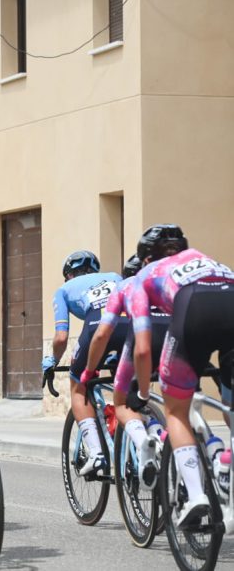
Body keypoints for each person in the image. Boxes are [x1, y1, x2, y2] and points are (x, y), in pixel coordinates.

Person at [96, 225, 234, 528]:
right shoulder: (206, 259)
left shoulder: (144, 276)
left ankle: (196, 495)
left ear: (144, 259)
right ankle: (225, 461)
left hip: (194, 309)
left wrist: (143, 393)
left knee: (176, 410)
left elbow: (142, 349)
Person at [83, 254, 169, 486]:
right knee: (175, 406)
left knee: (123, 402)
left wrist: (89, 370)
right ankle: (161, 436)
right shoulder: (166, 282)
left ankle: (142, 442)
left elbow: (103, 334)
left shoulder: (125, 287)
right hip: (175, 343)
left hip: (141, 343)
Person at [41, 251, 124, 477]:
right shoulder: (115, 277)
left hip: (98, 328)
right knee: (128, 385)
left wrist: (52, 361)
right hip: (132, 327)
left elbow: (60, 338)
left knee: (79, 387)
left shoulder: (64, 290)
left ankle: (97, 455)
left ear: (68, 275)